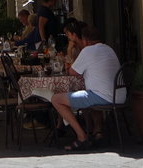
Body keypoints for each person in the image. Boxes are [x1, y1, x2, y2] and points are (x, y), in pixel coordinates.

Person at [51, 22, 123, 151]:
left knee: (56, 99)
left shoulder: (88, 51)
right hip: (120, 95)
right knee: (88, 91)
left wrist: (68, 50)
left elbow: (72, 72)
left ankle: (81, 136)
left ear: (85, 40)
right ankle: (97, 131)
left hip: (103, 96)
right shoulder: (108, 48)